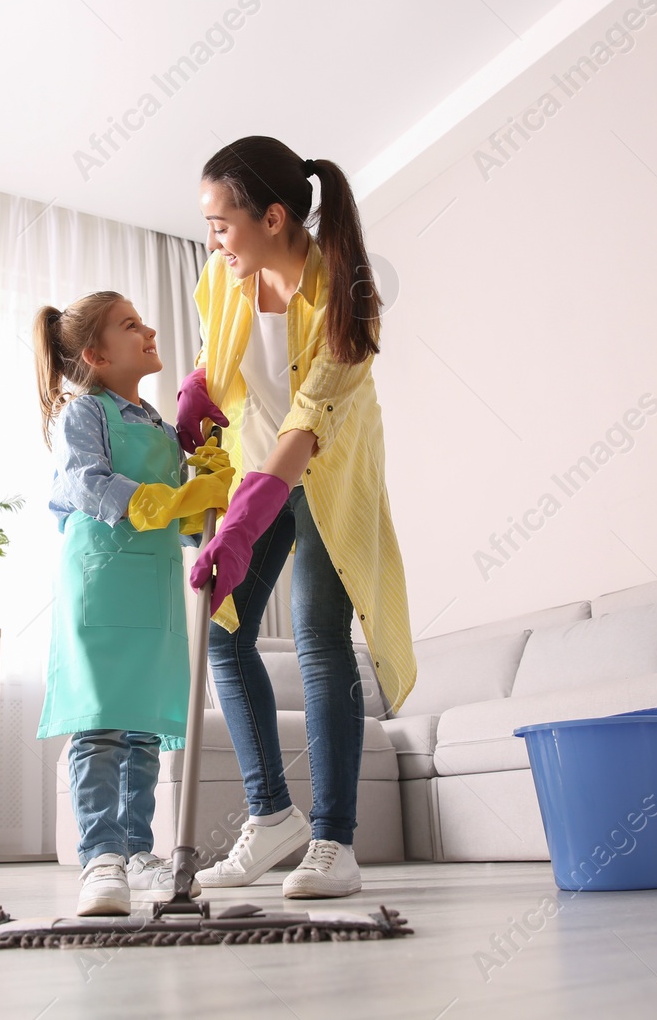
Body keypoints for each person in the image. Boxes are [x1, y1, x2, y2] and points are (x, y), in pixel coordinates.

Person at [179, 136, 416, 899]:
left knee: (318, 635)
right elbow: (225, 356)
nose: (213, 238)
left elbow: (308, 426)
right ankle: (272, 815)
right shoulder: (224, 275)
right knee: (225, 626)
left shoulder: (347, 298)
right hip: (256, 463)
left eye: (222, 223)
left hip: (323, 473)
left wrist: (244, 525)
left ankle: (334, 840)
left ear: (274, 217)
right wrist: (196, 390)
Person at [33, 290, 233, 916]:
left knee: (143, 726)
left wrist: (207, 487)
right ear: (94, 353)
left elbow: (188, 522)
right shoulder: (84, 413)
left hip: (153, 588)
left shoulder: (159, 425)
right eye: (129, 325)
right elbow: (81, 483)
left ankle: (140, 852)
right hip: (102, 582)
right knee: (101, 722)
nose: (148, 329)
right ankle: (101, 858)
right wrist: (158, 499)